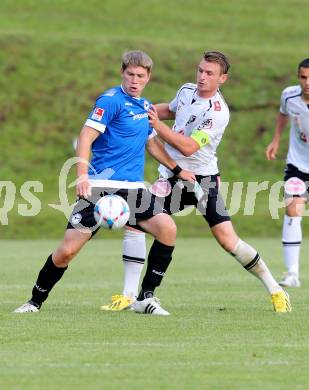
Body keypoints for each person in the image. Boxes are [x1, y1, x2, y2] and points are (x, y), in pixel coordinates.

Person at [101, 51, 292, 313]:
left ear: (222, 78)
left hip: (202, 182)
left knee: (228, 241)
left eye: (209, 73)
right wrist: (132, 111)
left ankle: (276, 290)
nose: (202, 76)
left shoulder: (218, 113)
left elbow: (189, 147)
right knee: (135, 223)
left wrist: (157, 125)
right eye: (200, 70)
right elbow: (168, 110)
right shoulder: (187, 90)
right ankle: (131, 296)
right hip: (171, 176)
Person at [14, 50, 196, 316]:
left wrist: (178, 169)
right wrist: (82, 176)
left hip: (133, 189)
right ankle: (34, 302)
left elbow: (152, 144)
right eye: (131, 74)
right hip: (99, 186)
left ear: (148, 78)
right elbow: (86, 137)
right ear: (122, 73)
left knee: (167, 229)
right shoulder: (110, 101)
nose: (135, 80)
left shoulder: (146, 107)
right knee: (66, 252)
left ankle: (145, 298)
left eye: (140, 76)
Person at [266, 58, 309, 288]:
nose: (307, 82)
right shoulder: (289, 96)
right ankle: (292, 274)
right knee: (293, 208)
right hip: (298, 165)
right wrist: (276, 139)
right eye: (303, 77)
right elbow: (284, 113)